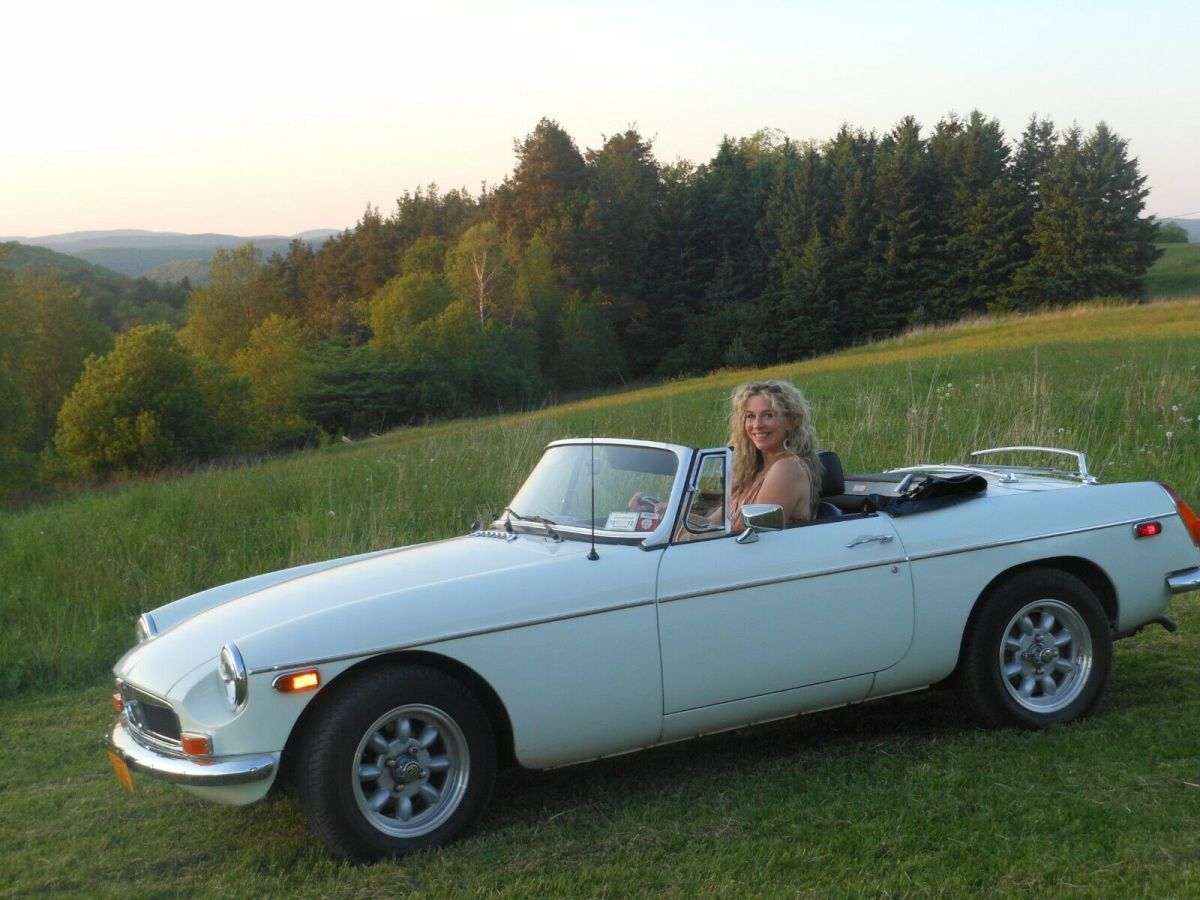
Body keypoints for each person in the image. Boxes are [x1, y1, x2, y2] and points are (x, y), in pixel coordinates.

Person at [727, 379, 823, 531]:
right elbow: (713, 524)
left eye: (768, 415)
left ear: (790, 421)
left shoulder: (788, 469)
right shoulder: (750, 472)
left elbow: (755, 535)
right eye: (750, 416)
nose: (757, 425)